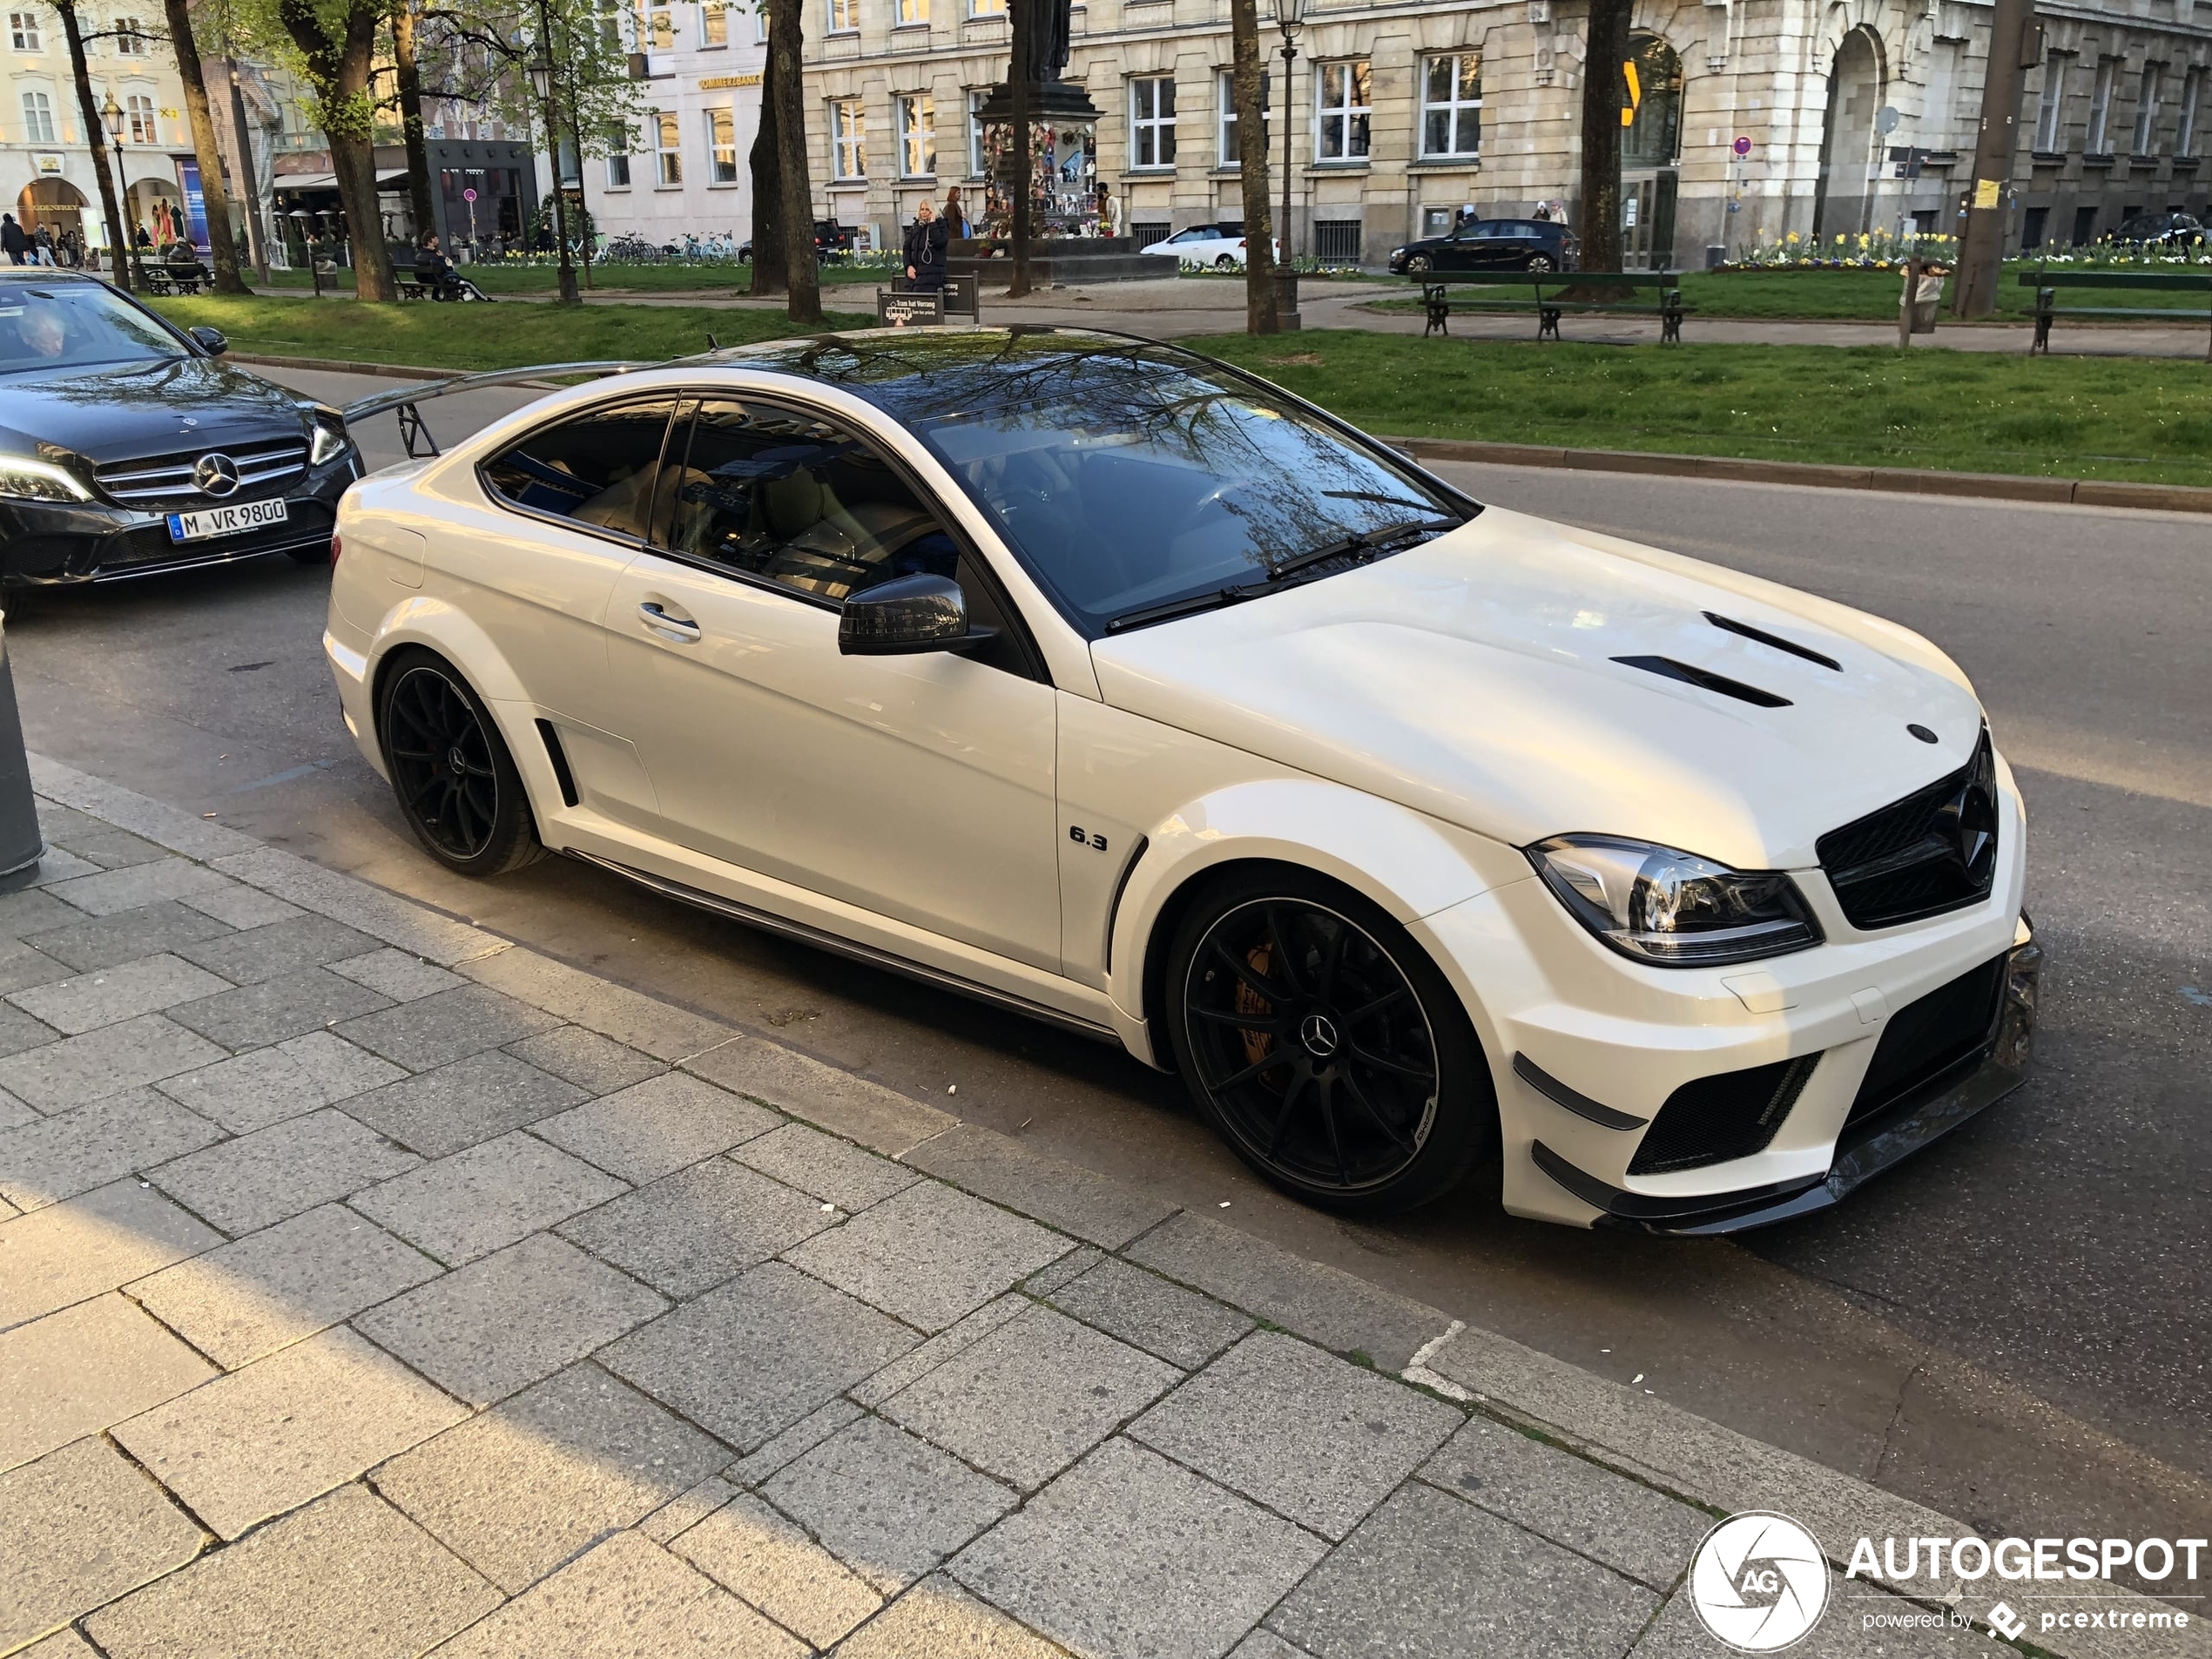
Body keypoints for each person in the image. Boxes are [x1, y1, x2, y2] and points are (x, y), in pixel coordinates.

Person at [902, 199, 948, 293]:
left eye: (927, 209)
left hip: (931, 274)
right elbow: (907, 247)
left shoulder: (941, 225)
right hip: (915, 274)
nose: (924, 212)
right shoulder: (916, 227)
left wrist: (932, 224)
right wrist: (908, 266)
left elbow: (939, 243)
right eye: (922, 209)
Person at [415, 233, 462, 300]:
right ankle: (449, 296)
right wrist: (444, 260)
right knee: (449, 277)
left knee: (439, 277)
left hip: (422, 279)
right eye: (433, 244)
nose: (434, 247)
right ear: (429, 242)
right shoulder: (432, 256)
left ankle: (437, 295)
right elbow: (442, 269)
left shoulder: (418, 256)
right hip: (434, 279)